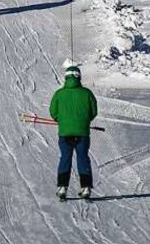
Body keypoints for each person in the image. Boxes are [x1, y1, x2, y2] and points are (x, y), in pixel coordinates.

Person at [49, 64, 98, 201]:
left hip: (65, 133)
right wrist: (85, 121)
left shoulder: (59, 94)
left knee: (65, 158)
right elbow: (94, 111)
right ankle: (86, 187)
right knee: (83, 158)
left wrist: (61, 120)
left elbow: (53, 112)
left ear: (66, 77)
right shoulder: (87, 93)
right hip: (82, 133)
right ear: (79, 77)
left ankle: (62, 187)